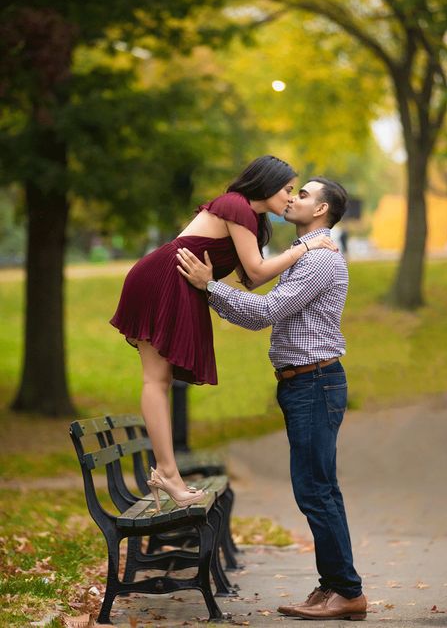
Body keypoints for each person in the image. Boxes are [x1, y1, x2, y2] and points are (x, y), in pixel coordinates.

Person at [176, 177, 367, 621]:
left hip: (315, 383)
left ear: (320, 210)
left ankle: (347, 591)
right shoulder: (305, 255)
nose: (292, 198)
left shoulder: (321, 260)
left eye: (303, 195)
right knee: (317, 489)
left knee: (316, 490)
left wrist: (210, 287)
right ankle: (334, 584)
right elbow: (264, 308)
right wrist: (214, 289)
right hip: (304, 383)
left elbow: (264, 313)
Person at [110, 157, 337, 510]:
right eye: (288, 190)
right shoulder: (236, 205)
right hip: (162, 279)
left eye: (295, 192)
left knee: (159, 381)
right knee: (155, 381)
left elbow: (250, 278)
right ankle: (168, 474)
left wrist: (299, 254)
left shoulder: (251, 219)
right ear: (267, 184)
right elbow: (260, 273)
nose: (290, 198)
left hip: (178, 283)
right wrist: (305, 248)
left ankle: (167, 474)